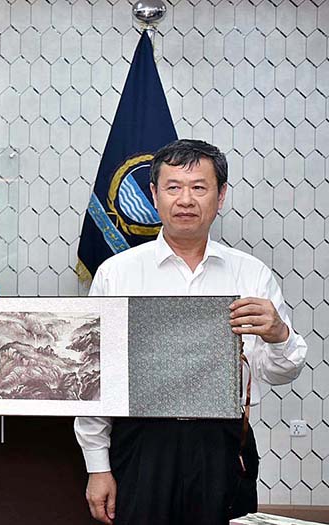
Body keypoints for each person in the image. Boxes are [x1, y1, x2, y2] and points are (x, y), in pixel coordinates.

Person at [74, 139, 307, 525]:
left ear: (221, 196)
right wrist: (97, 465)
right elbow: (95, 378)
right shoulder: (118, 273)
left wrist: (279, 334)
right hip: (141, 444)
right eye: (173, 187)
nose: (186, 199)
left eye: (199, 187)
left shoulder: (250, 274)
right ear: (153, 194)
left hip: (224, 445)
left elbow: (280, 373)